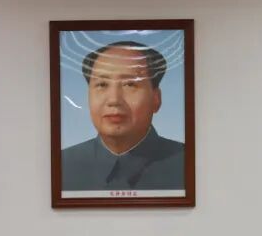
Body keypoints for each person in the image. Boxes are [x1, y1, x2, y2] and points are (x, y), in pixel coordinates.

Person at [61, 41, 185, 192]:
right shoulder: (61, 165)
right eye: (102, 85)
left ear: (156, 99)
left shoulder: (189, 163)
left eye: (130, 84)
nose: (114, 100)